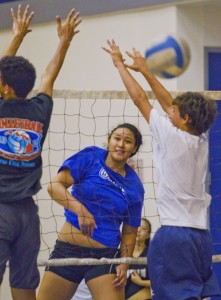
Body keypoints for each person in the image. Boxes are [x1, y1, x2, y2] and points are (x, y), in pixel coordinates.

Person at [103, 40, 221, 299]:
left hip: (174, 235)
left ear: (185, 119)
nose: (170, 113)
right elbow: (170, 105)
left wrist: (118, 64)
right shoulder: (201, 139)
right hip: (201, 236)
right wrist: (146, 71)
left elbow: (139, 98)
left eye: (176, 112)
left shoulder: (171, 135)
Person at [0, 4, 81, 300]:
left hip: (1, 209)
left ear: (5, 87)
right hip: (27, 214)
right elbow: (49, 74)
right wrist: (65, 41)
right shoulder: (40, 109)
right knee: (24, 285)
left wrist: (17, 35)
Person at [37, 123, 145, 300]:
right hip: (67, 251)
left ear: (134, 149)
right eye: (117, 138)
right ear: (109, 141)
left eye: (127, 141)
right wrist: (80, 210)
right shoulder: (91, 157)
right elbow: (54, 187)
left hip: (105, 257)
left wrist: (124, 262)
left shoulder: (135, 187)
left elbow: (130, 231)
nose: (120, 144)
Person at [125, 217, 152, 300]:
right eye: (136, 227)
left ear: (148, 234)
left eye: (143, 229)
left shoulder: (152, 254)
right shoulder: (122, 254)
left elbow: (160, 282)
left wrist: (141, 282)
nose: (138, 230)